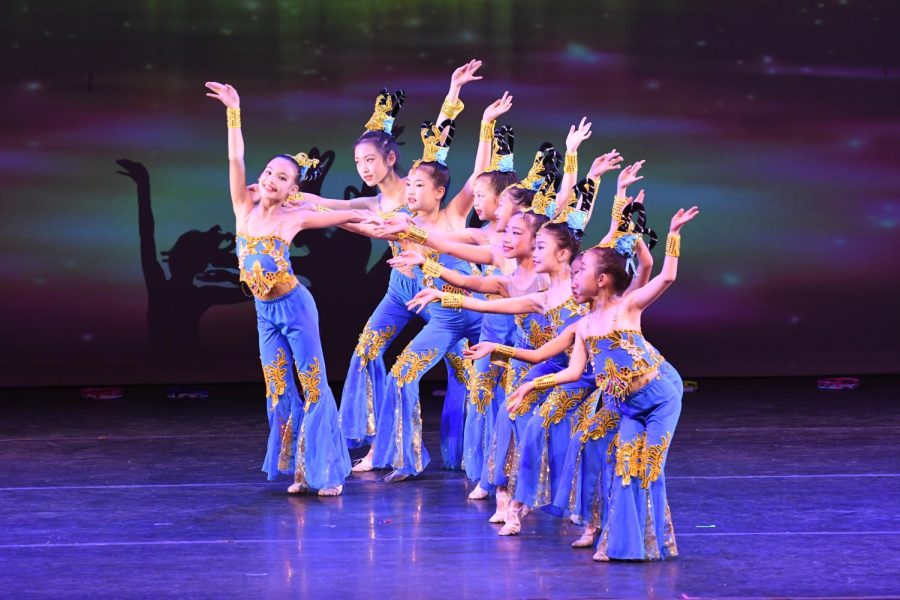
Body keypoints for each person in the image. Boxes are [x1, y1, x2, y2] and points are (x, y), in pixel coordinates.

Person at [506, 204, 699, 560]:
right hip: (626, 406)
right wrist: (531, 386)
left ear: (603, 279)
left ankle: (652, 542)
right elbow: (571, 372)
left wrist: (672, 235)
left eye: (581, 272)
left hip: (659, 400)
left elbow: (665, 277)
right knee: (626, 467)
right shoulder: (582, 326)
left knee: (649, 468)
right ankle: (617, 542)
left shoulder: (628, 308)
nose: (574, 278)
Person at [205, 81, 370, 496]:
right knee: (278, 389)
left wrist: (384, 213)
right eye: (268, 174)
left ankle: (327, 473)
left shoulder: (294, 218)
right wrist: (234, 111)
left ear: (293, 187)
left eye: (282, 177)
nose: (271, 180)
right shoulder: (243, 205)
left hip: (295, 308)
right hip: (264, 314)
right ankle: (300, 469)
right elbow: (235, 156)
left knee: (313, 385)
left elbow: (345, 213)